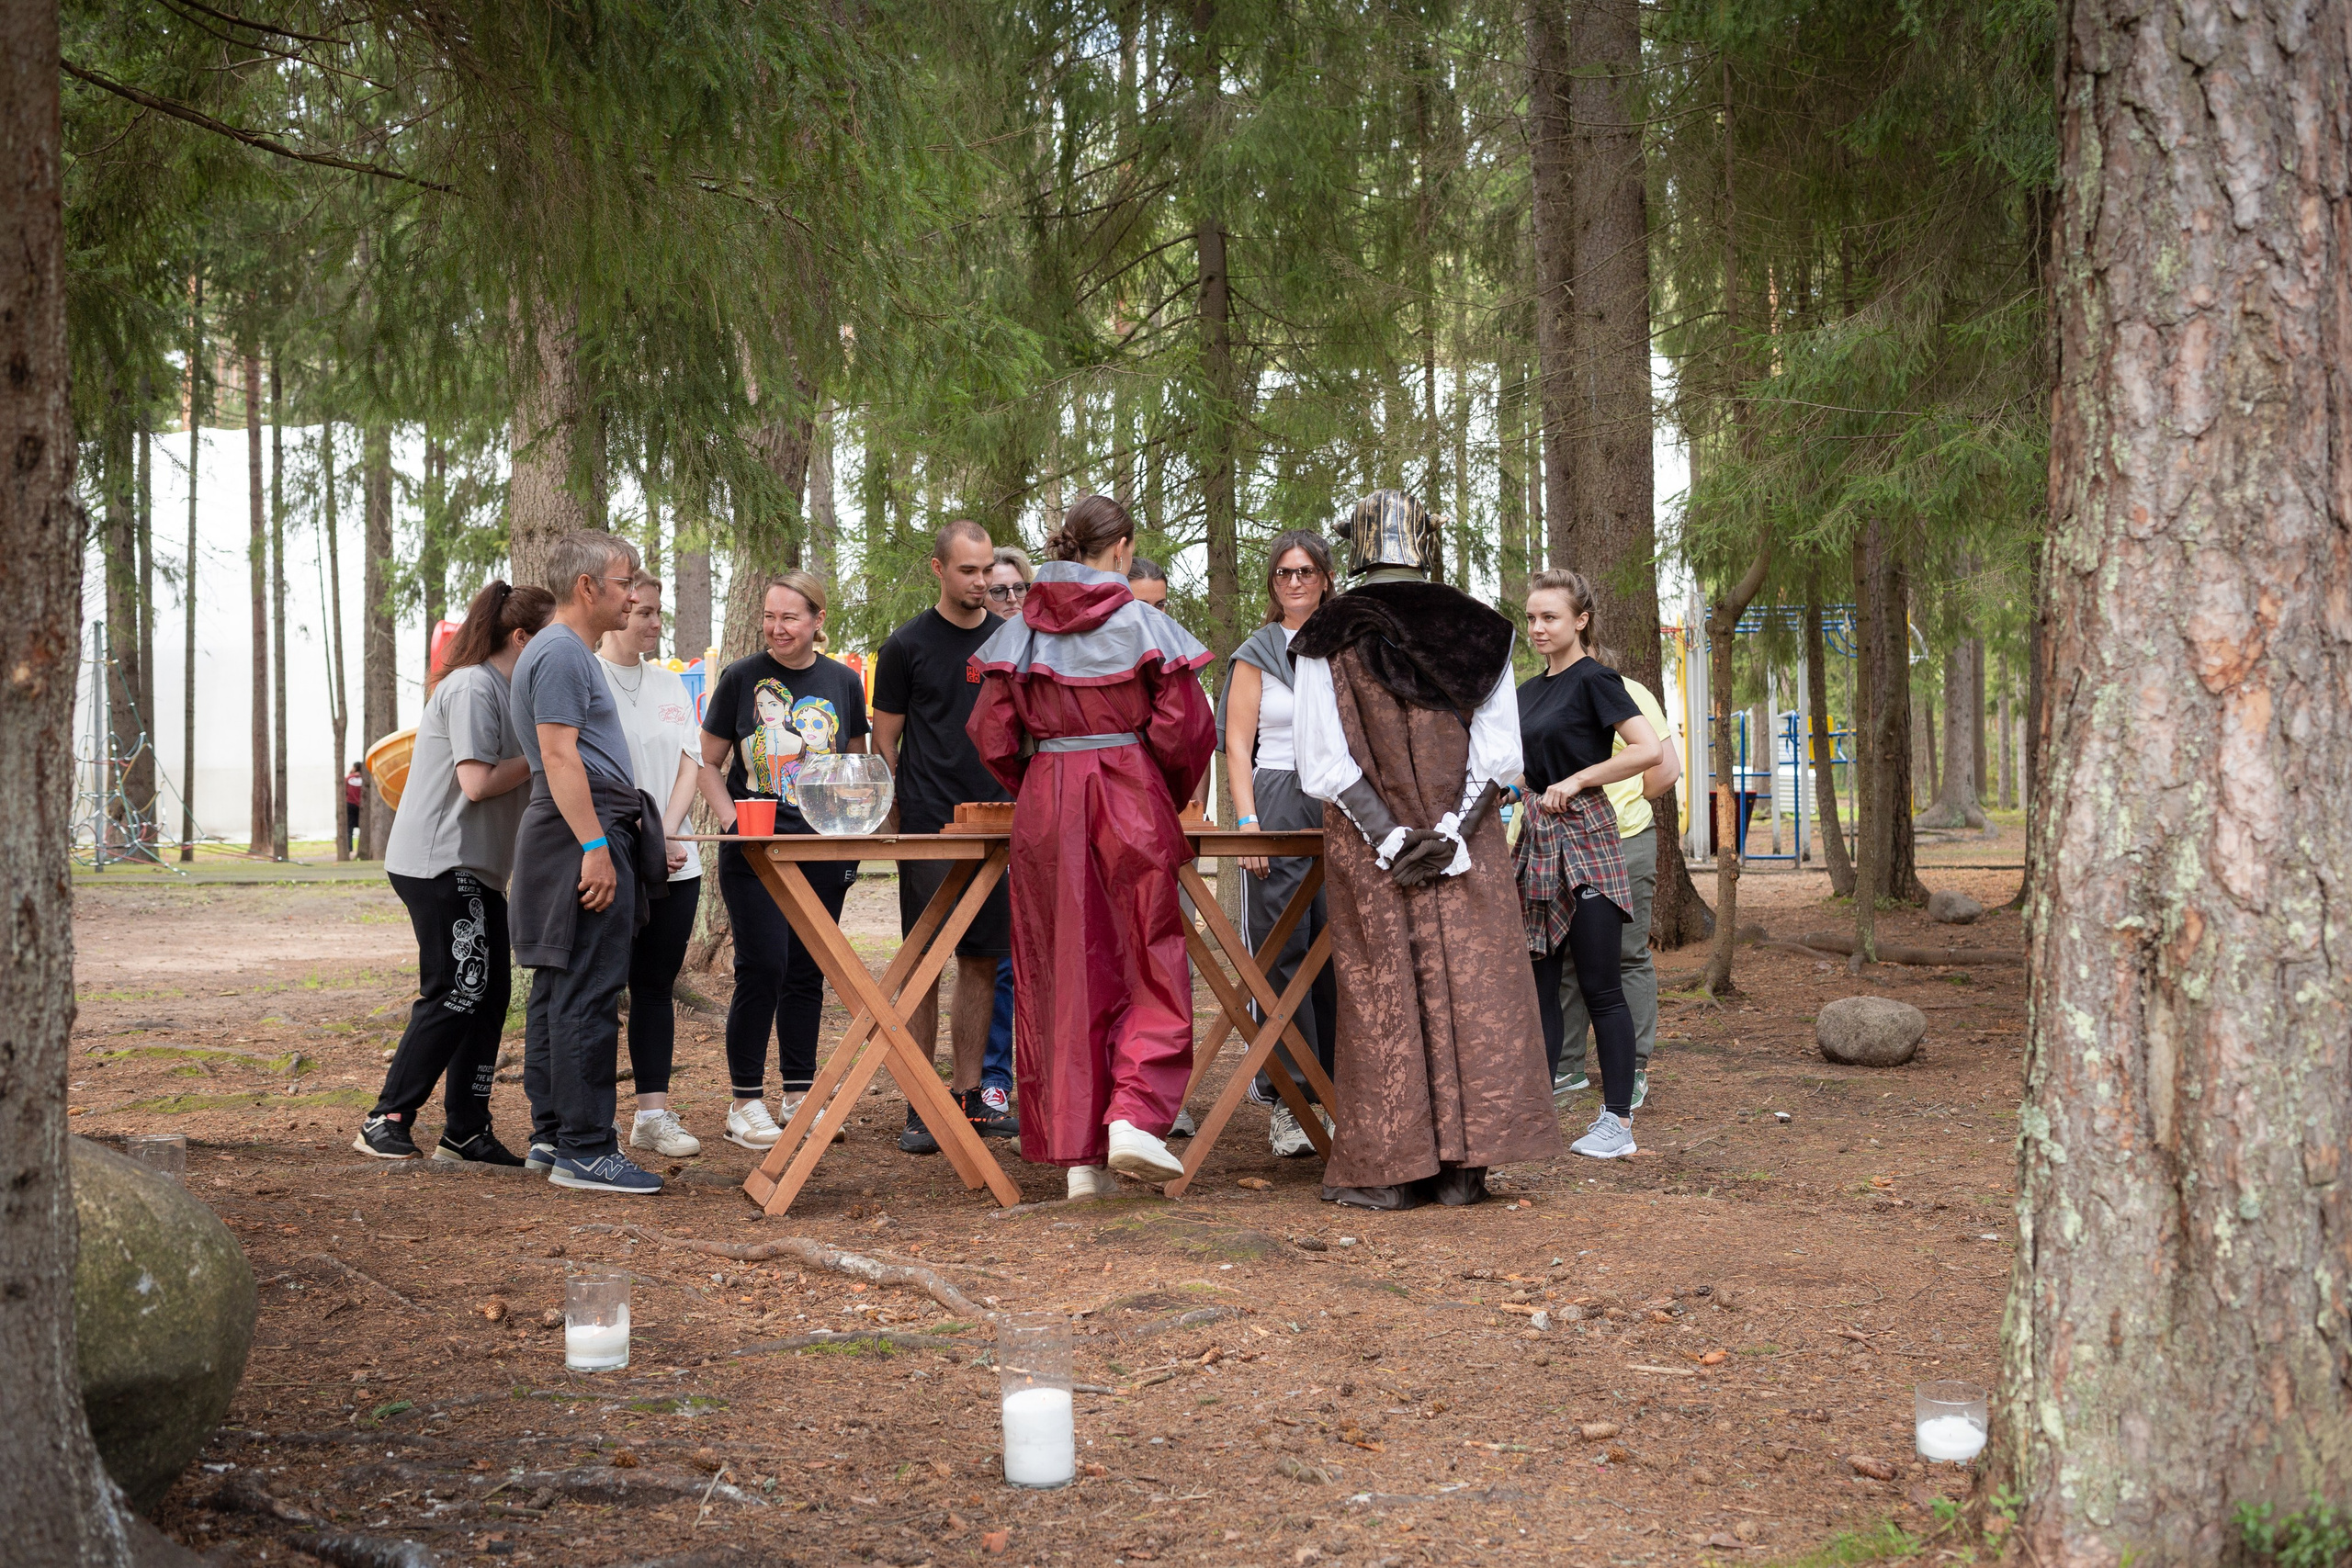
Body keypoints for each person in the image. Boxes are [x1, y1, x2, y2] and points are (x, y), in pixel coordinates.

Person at [1292, 490, 1555, 1209]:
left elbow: (1321, 760)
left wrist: (1391, 836)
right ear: (1425, 544)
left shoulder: (1325, 634)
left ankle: (1392, 1173)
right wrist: (1447, 835)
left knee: (1385, 990)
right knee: (1471, 991)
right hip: (1463, 844)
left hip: (1374, 847)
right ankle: (1463, 1174)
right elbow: (1501, 758)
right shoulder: (1483, 631)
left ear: (1359, 547)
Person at [967, 495, 1216, 1198]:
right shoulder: (1145, 623)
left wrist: (1041, 773)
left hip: (1047, 801)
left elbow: (989, 734)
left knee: (1064, 967)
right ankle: (1134, 1116)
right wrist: (1155, 787)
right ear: (1123, 549)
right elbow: (1189, 731)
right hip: (1127, 793)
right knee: (1148, 956)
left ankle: (1082, 1159)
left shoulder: (1021, 632)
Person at [355, 581, 554, 1164]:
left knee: (489, 997)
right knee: (458, 987)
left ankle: (466, 1129)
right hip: (440, 862)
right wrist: (545, 755)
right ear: (521, 638)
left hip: (480, 868)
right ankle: (385, 1117)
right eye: (552, 639)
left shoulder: (513, 691)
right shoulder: (471, 687)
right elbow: (477, 781)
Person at [510, 532, 671, 1195]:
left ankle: (552, 1135)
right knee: (587, 989)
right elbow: (558, 755)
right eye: (623, 581)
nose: (633, 593)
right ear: (587, 587)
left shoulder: (559, 651)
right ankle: (585, 1147)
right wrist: (597, 847)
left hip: (578, 825)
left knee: (559, 987)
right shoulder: (562, 653)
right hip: (582, 826)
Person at [698, 572, 871, 1150]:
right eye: (770, 617)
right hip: (757, 853)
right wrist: (730, 821)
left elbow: (856, 769)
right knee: (763, 967)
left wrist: (852, 831)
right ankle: (743, 1102)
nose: (776, 628)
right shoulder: (741, 678)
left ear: (818, 620)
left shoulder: (845, 683)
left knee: (806, 973)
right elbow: (706, 763)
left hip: (822, 850)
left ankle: (800, 1095)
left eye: (790, 617)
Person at [872, 521, 1021, 1153]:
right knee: (927, 965)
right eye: (968, 570)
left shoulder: (1010, 640)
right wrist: (896, 811)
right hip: (931, 825)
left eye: (987, 569)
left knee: (982, 961)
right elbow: (884, 736)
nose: (982, 581)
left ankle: (966, 1096)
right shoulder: (907, 644)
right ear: (938, 569)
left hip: (997, 824)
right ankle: (920, 1103)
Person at [1513, 570, 1664, 1159]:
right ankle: (1538, 1116)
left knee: (1602, 986)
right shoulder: (1526, 693)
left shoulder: (1597, 680)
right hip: (1538, 844)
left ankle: (1618, 1123)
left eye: (1550, 617)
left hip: (1589, 838)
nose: (1538, 628)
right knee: (1542, 983)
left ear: (1580, 620)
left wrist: (1576, 781)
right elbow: (1527, 769)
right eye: (1530, 617)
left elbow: (1648, 750)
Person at [598, 571, 729, 1158]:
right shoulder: (587, 677)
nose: (655, 624)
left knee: (654, 985)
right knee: (598, 987)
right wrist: (638, 839)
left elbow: (688, 768)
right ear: (618, 611)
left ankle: (652, 1114)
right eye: (645, 613)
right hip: (610, 859)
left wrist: (668, 832)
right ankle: (586, 1119)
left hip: (675, 860)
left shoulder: (672, 688)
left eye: (658, 613)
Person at [1223, 530, 1340, 1158]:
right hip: (1272, 800)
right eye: (1283, 574)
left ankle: (1338, 1090)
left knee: (1338, 951)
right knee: (1281, 952)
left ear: (1325, 576)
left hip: (1340, 802)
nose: (1294, 582)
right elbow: (1237, 746)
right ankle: (1290, 1103)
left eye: (1305, 571)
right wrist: (1247, 822)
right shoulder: (1257, 652)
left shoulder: (1346, 644)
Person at [1548, 637, 1681, 1108]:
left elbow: (1664, 770)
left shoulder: (1628, 691)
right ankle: (1567, 1068)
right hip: (1558, 845)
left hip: (1620, 843)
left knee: (1625, 956)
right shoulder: (1542, 694)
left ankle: (1634, 1067)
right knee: (1564, 956)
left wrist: (1620, 808)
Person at [344, 765, 365, 857]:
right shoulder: (365, 779)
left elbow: (344, 791)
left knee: (350, 827)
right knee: (363, 827)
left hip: (350, 805)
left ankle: (349, 848)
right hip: (361, 806)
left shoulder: (348, 778)